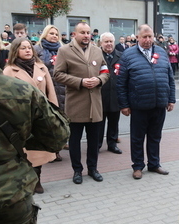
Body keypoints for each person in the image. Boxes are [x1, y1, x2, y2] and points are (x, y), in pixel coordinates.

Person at [0, 21, 69, 224]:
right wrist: (23, 137)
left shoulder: (39, 68)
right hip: (10, 192)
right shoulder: (17, 87)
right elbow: (58, 136)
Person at [117, 24, 176, 180]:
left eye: (150, 36)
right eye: (144, 37)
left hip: (159, 104)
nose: (148, 40)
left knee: (155, 136)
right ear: (138, 38)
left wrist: (171, 99)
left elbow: (170, 78)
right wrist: (124, 104)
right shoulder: (128, 55)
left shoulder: (161, 52)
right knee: (137, 138)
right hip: (138, 105)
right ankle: (137, 166)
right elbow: (121, 82)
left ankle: (154, 164)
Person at [54, 22, 109, 184]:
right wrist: (80, 81)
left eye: (88, 32)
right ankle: (77, 170)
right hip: (76, 103)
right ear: (74, 35)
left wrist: (99, 80)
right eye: (83, 32)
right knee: (75, 141)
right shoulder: (64, 51)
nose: (86, 35)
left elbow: (105, 70)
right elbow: (58, 74)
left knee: (94, 141)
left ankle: (93, 168)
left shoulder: (97, 50)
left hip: (94, 104)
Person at [3, 37, 59, 194]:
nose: (28, 50)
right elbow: (5, 96)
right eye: (23, 48)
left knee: (38, 151)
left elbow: (51, 91)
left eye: (29, 47)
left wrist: (54, 110)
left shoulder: (41, 67)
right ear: (16, 51)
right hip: (21, 118)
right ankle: (25, 180)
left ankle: (37, 180)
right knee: (24, 152)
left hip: (40, 116)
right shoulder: (9, 70)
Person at [34, 25, 65, 163]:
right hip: (45, 88)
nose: (54, 36)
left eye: (56, 34)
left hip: (62, 89)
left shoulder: (63, 49)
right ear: (45, 34)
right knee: (48, 121)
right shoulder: (37, 49)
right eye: (51, 33)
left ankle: (58, 147)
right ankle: (49, 151)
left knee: (60, 120)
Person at [98, 32, 122, 155]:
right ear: (101, 43)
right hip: (100, 96)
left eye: (111, 41)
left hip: (115, 96)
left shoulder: (121, 56)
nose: (109, 44)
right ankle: (97, 145)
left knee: (114, 122)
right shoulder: (96, 56)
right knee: (99, 124)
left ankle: (112, 144)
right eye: (106, 42)